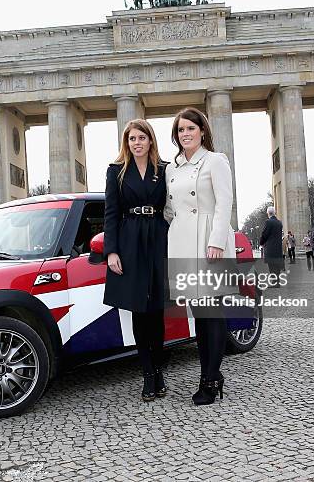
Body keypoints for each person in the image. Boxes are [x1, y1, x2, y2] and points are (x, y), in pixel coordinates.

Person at [165, 107, 235, 406]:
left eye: (190, 129)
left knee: (211, 312)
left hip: (209, 240)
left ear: (202, 131)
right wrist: (176, 229)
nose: (185, 134)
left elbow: (225, 202)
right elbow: (170, 209)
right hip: (182, 241)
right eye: (180, 130)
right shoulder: (171, 168)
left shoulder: (215, 160)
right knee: (197, 313)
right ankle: (211, 374)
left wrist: (216, 240)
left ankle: (210, 378)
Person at [104, 119, 169, 402]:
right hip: (129, 241)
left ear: (151, 141)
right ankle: (147, 374)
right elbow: (110, 213)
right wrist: (111, 251)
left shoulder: (165, 169)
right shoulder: (116, 171)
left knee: (157, 310)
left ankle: (160, 371)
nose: (137, 143)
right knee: (139, 312)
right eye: (132, 139)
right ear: (126, 142)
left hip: (158, 237)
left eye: (142, 138)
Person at [260, 206, 283, 279]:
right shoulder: (279, 222)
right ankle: (277, 281)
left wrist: (261, 242)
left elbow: (264, 234)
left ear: (268, 213)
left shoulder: (268, 222)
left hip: (270, 248)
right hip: (278, 247)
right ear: (275, 213)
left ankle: (274, 281)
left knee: (272, 266)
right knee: (277, 265)